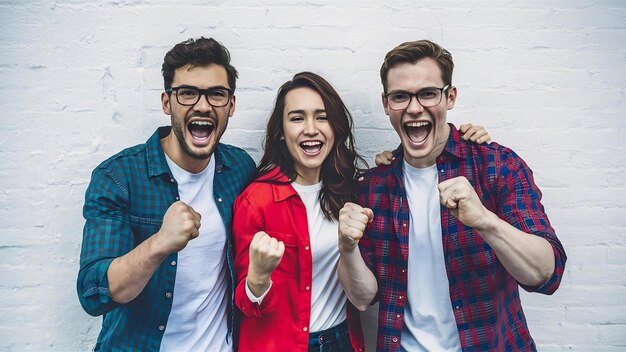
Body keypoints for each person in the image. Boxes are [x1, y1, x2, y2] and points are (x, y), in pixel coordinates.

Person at [231, 72, 490, 352]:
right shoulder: (256, 200)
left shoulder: (352, 191)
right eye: (297, 118)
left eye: (322, 116)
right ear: (281, 131)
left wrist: (466, 140)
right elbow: (246, 306)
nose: (310, 129)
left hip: (342, 341)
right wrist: (258, 277)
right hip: (280, 345)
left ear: (336, 127)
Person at [338, 40, 567, 351]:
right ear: (386, 104)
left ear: (451, 97)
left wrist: (487, 221)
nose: (414, 107)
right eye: (401, 96)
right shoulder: (374, 186)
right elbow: (364, 298)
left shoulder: (496, 165)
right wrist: (347, 247)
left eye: (428, 93)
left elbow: (547, 275)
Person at [77, 37, 255, 351]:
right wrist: (159, 243)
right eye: (187, 93)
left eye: (216, 94)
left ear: (231, 105)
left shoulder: (239, 168)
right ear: (166, 102)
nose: (202, 105)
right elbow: (93, 292)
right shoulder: (119, 178)